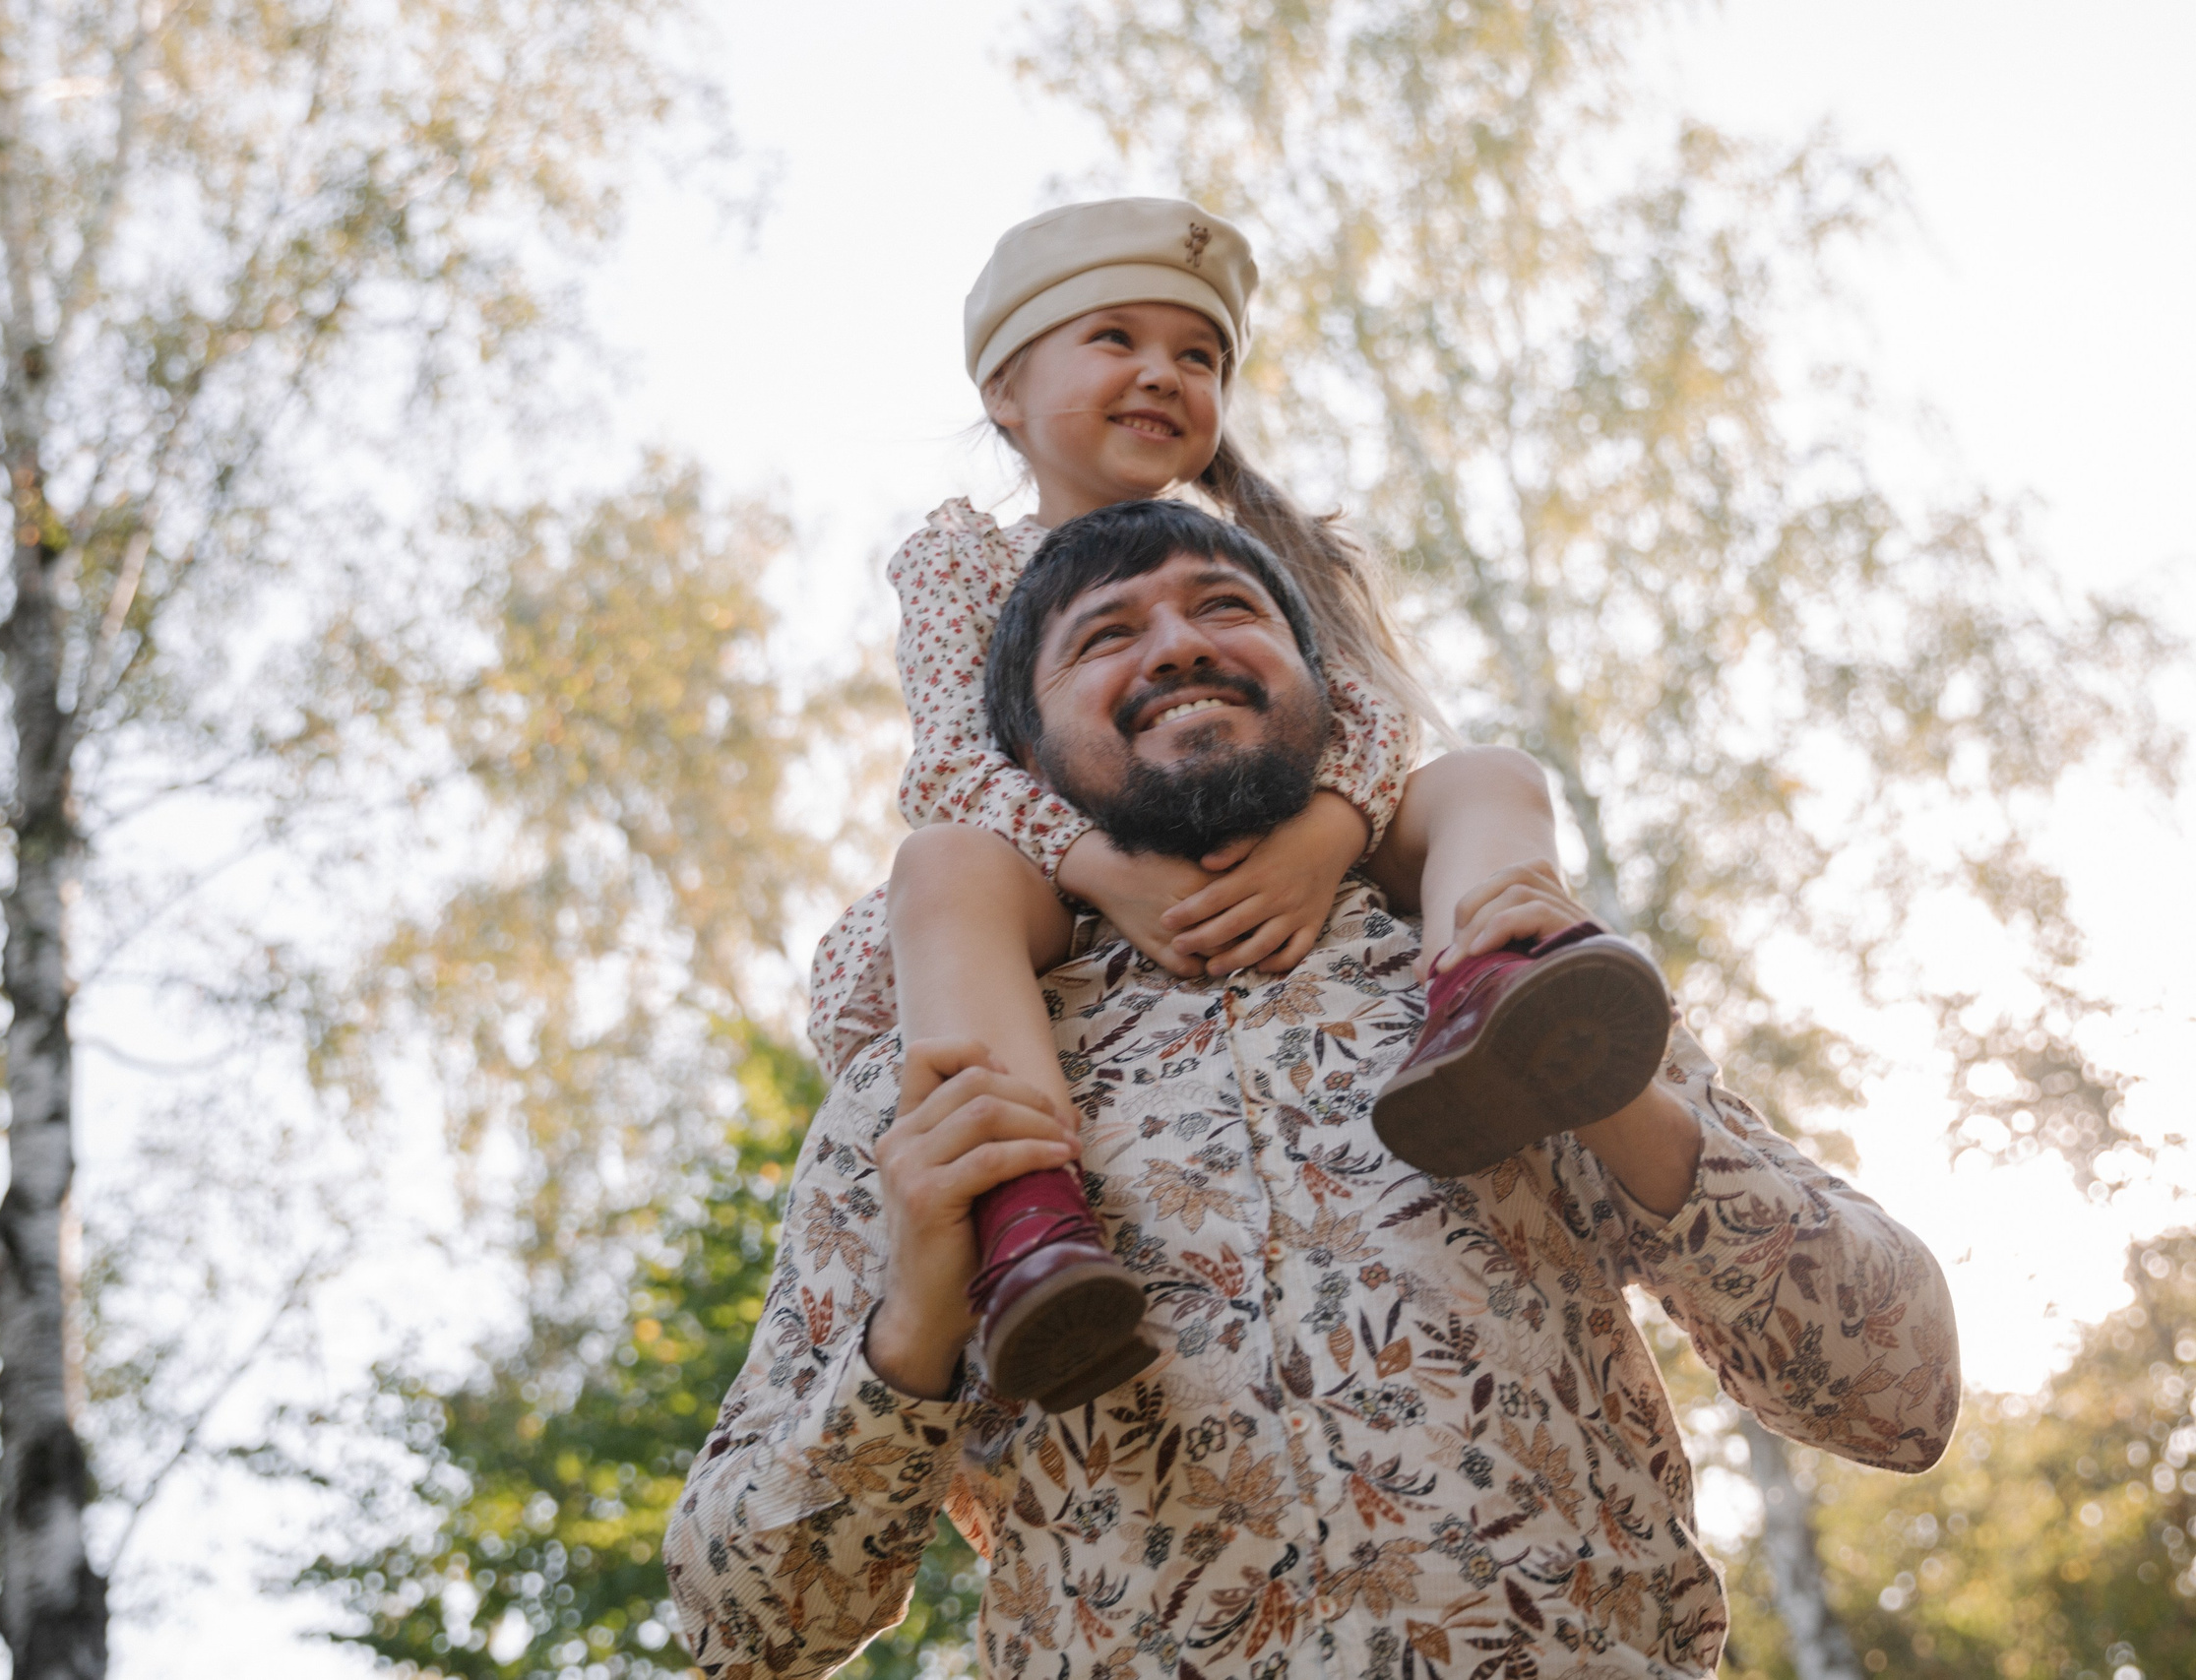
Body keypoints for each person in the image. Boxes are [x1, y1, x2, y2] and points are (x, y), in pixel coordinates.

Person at [665, 499, 1959, 1680]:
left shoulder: (1503, 961)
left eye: (1225, 607)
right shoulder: (933, 1089)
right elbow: (742, 1628)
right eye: (1107, 633)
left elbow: (1898, 1393)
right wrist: (916, 1317)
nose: (1177, 643)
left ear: (1323, 693)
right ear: (1024, 748)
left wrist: (1612, 1100)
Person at [813, 198, 1672, 1411]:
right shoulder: (964, 563)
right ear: (1004, 392)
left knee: (1489, 777)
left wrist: (1326, 838)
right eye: (1114, 337)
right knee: (947, 862)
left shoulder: (1259, 559)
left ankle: (1497, 987)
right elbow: (953, 762)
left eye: (1198, 354)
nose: (1162, 371)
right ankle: (1024, 1217)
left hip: (1283, 835)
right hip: (1063, 881)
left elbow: (1376, 723)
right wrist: (1097, 867)